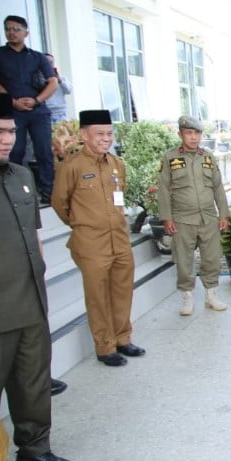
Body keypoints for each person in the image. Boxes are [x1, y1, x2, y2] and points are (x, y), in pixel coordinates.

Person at [0, 91, 75, 461]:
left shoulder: (21, 176)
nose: (8, 139)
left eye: (10, 131)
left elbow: (34, 238)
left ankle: (35, 451)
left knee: (34, 386)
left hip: (30, 306)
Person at [51, 109, 145, 367]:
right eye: (100, 134)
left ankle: (123, 338)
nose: (106, 138)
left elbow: (120, 195)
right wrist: (83, 225)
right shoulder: (72, 166)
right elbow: (60, 203)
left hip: (119, 240)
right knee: (98, 296)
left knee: (122, 291)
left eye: (109, 133)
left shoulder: (117, 164)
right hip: (91, 244)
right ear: (83, 135)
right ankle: (105, 347)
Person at [158, 116, 231, 316]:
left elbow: (218, 187)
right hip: (183, 218)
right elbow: (163, 189)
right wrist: (167, 217)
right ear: (181, 134)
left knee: (212, 258)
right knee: (184, 260)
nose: (193, 137)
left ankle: (211, 295)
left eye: (197, 133)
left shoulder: (208, 157)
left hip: (208, 217)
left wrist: (223, 214)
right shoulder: (170, 158)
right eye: (189, 133)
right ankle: (187, 297)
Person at [0, 16, 58, 204]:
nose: (12, 32)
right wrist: (12, 101)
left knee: (44, 152)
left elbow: (53, 82)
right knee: (14, 152)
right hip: (12, 111)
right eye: (8, 29)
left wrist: (36, 100)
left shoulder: (37, 57)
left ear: (26, 33)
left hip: (38, 111)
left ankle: (48, 192)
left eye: (16, 29)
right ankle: (15, 193)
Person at [43, 54, 72, 124]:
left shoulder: (62, 78)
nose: (49, 65)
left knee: (63, 134)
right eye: (46, 62)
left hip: (61, 112)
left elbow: (69, 91)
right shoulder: (38, 79)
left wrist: (60, 81)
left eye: (51, 62)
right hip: (46, 113)